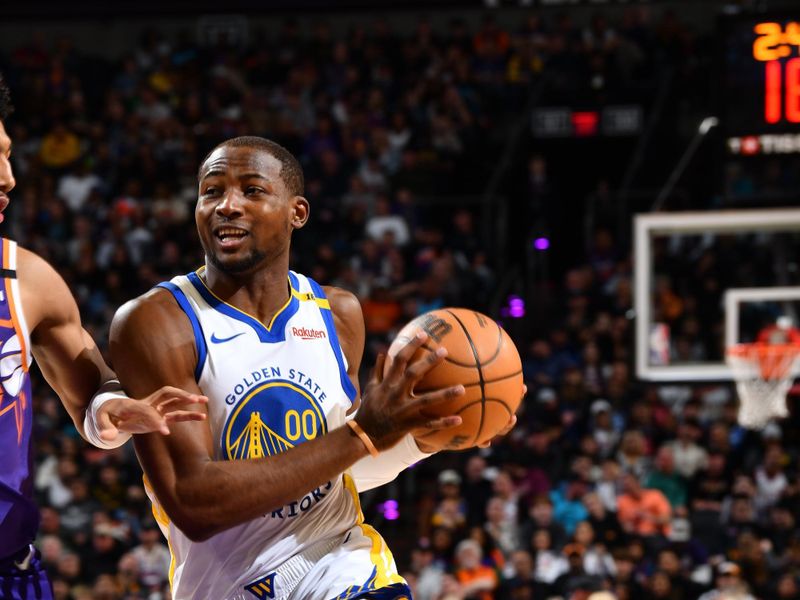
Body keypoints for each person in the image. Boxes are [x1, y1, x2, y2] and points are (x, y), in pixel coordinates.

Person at [109, 135, 521, 599]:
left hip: (345, 567)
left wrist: (429, 433)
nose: (227, 205)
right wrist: (361, 434)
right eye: (211, 191)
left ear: (297, 213)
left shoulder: (338, 313)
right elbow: (193, 502)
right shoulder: (156, 323)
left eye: (251, 189)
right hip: (226, 585)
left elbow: (336, 472)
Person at [0, 74, 206, 598]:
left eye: (8, 156)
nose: (8, 179)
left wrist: (110, 410)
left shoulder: (30, 282)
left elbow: (94, 397)